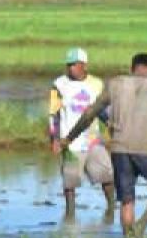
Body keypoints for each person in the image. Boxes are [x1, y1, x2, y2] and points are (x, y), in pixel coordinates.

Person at [62, 53, 147, 236]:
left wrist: (69, 137)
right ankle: (140, 226)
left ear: (132, 67)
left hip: (119, 149)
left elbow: (90, 113)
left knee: (127, 200)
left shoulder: (115, 84)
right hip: (145, 149)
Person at [49, 48, 115, 218]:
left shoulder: (97, 84)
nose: (71, 68)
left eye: (75, 65)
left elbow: (99, 109)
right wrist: (55, 138)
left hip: (93, 141)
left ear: (84, 65)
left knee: (107, 176)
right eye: (69, 65)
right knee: (70, 182)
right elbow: (53, 113)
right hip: (69, 143)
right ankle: (70, 215)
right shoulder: (58, 85)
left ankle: (111, 209)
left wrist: (108, 122)